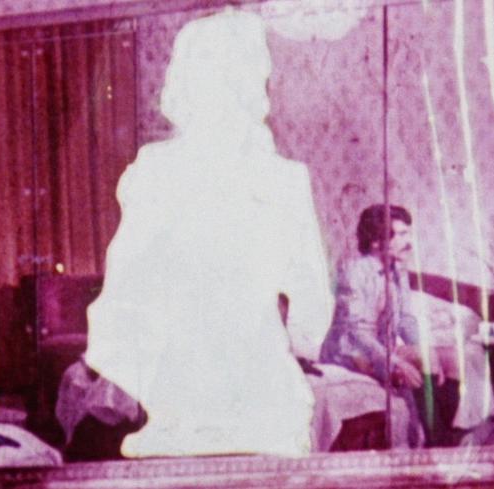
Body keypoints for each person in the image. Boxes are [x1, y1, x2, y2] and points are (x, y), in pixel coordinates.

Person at [82, 10, 334, 458]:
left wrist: (300, 346)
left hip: (255, 382)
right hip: (183, 383)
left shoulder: (283, 178)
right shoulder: (154, 170)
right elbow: (127, 280)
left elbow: (311, 296)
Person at [320, 204, 494, 447]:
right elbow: (357, 333)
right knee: (422, 361)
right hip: (350, 353)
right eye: (400, 235)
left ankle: (446, 439)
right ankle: (436, 443)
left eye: (407, 233)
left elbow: (406, 320)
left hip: (380, 349)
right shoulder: (354, 272)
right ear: (376, 241)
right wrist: (395, 362)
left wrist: (427, 349)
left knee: (454, 358)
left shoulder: (397, 271)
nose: (408, 241)